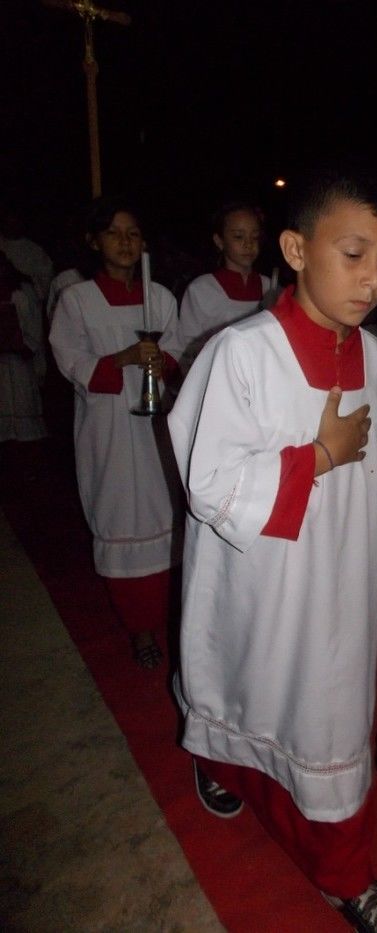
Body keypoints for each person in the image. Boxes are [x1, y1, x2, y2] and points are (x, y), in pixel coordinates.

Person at [167, 160, 377, 933]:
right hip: (256, 581)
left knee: (330, 721)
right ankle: (217, 760)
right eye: (353, 254)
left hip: (339, 582)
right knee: (244, 683)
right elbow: (206, 481)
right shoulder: (240, 355)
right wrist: (315, 455)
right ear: (294, 247)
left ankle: (347, 874)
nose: (372, 278)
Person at [49, 196, 184, 669]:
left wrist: (160, 361)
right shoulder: (77, 300)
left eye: (133, 234)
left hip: (156, 432)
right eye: (113, 232)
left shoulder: (161, 297)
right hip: (107, 429)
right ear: (94, 241)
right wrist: (124, 359)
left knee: (164, 518)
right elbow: (71, 361)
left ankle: (167, 620)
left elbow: (178, 353)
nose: (125, 242)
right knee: (120, 519)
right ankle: (140, 630)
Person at [175, 201, 272, 373]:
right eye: (238, 236)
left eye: (254, 237)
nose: (248, 244)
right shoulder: (202, 289)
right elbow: (186, 348)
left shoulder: (270, 288)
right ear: (219, 241)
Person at [0, 251, 48, 443]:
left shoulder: (23, 291)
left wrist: (22, 344)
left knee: (26, 429)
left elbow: (34, 327)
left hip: (21, 365)